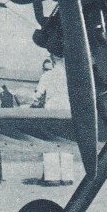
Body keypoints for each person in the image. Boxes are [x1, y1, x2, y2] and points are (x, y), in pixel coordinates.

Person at [31, 55, 74, 185]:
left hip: (51, 111)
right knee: (66, 143)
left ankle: (52, 177)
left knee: (50, 143)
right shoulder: (70, 76)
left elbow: (37, 95)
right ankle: (67, 177)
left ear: (53, 60)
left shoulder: (47, 76)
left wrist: (33, 100)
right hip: (67, 111)